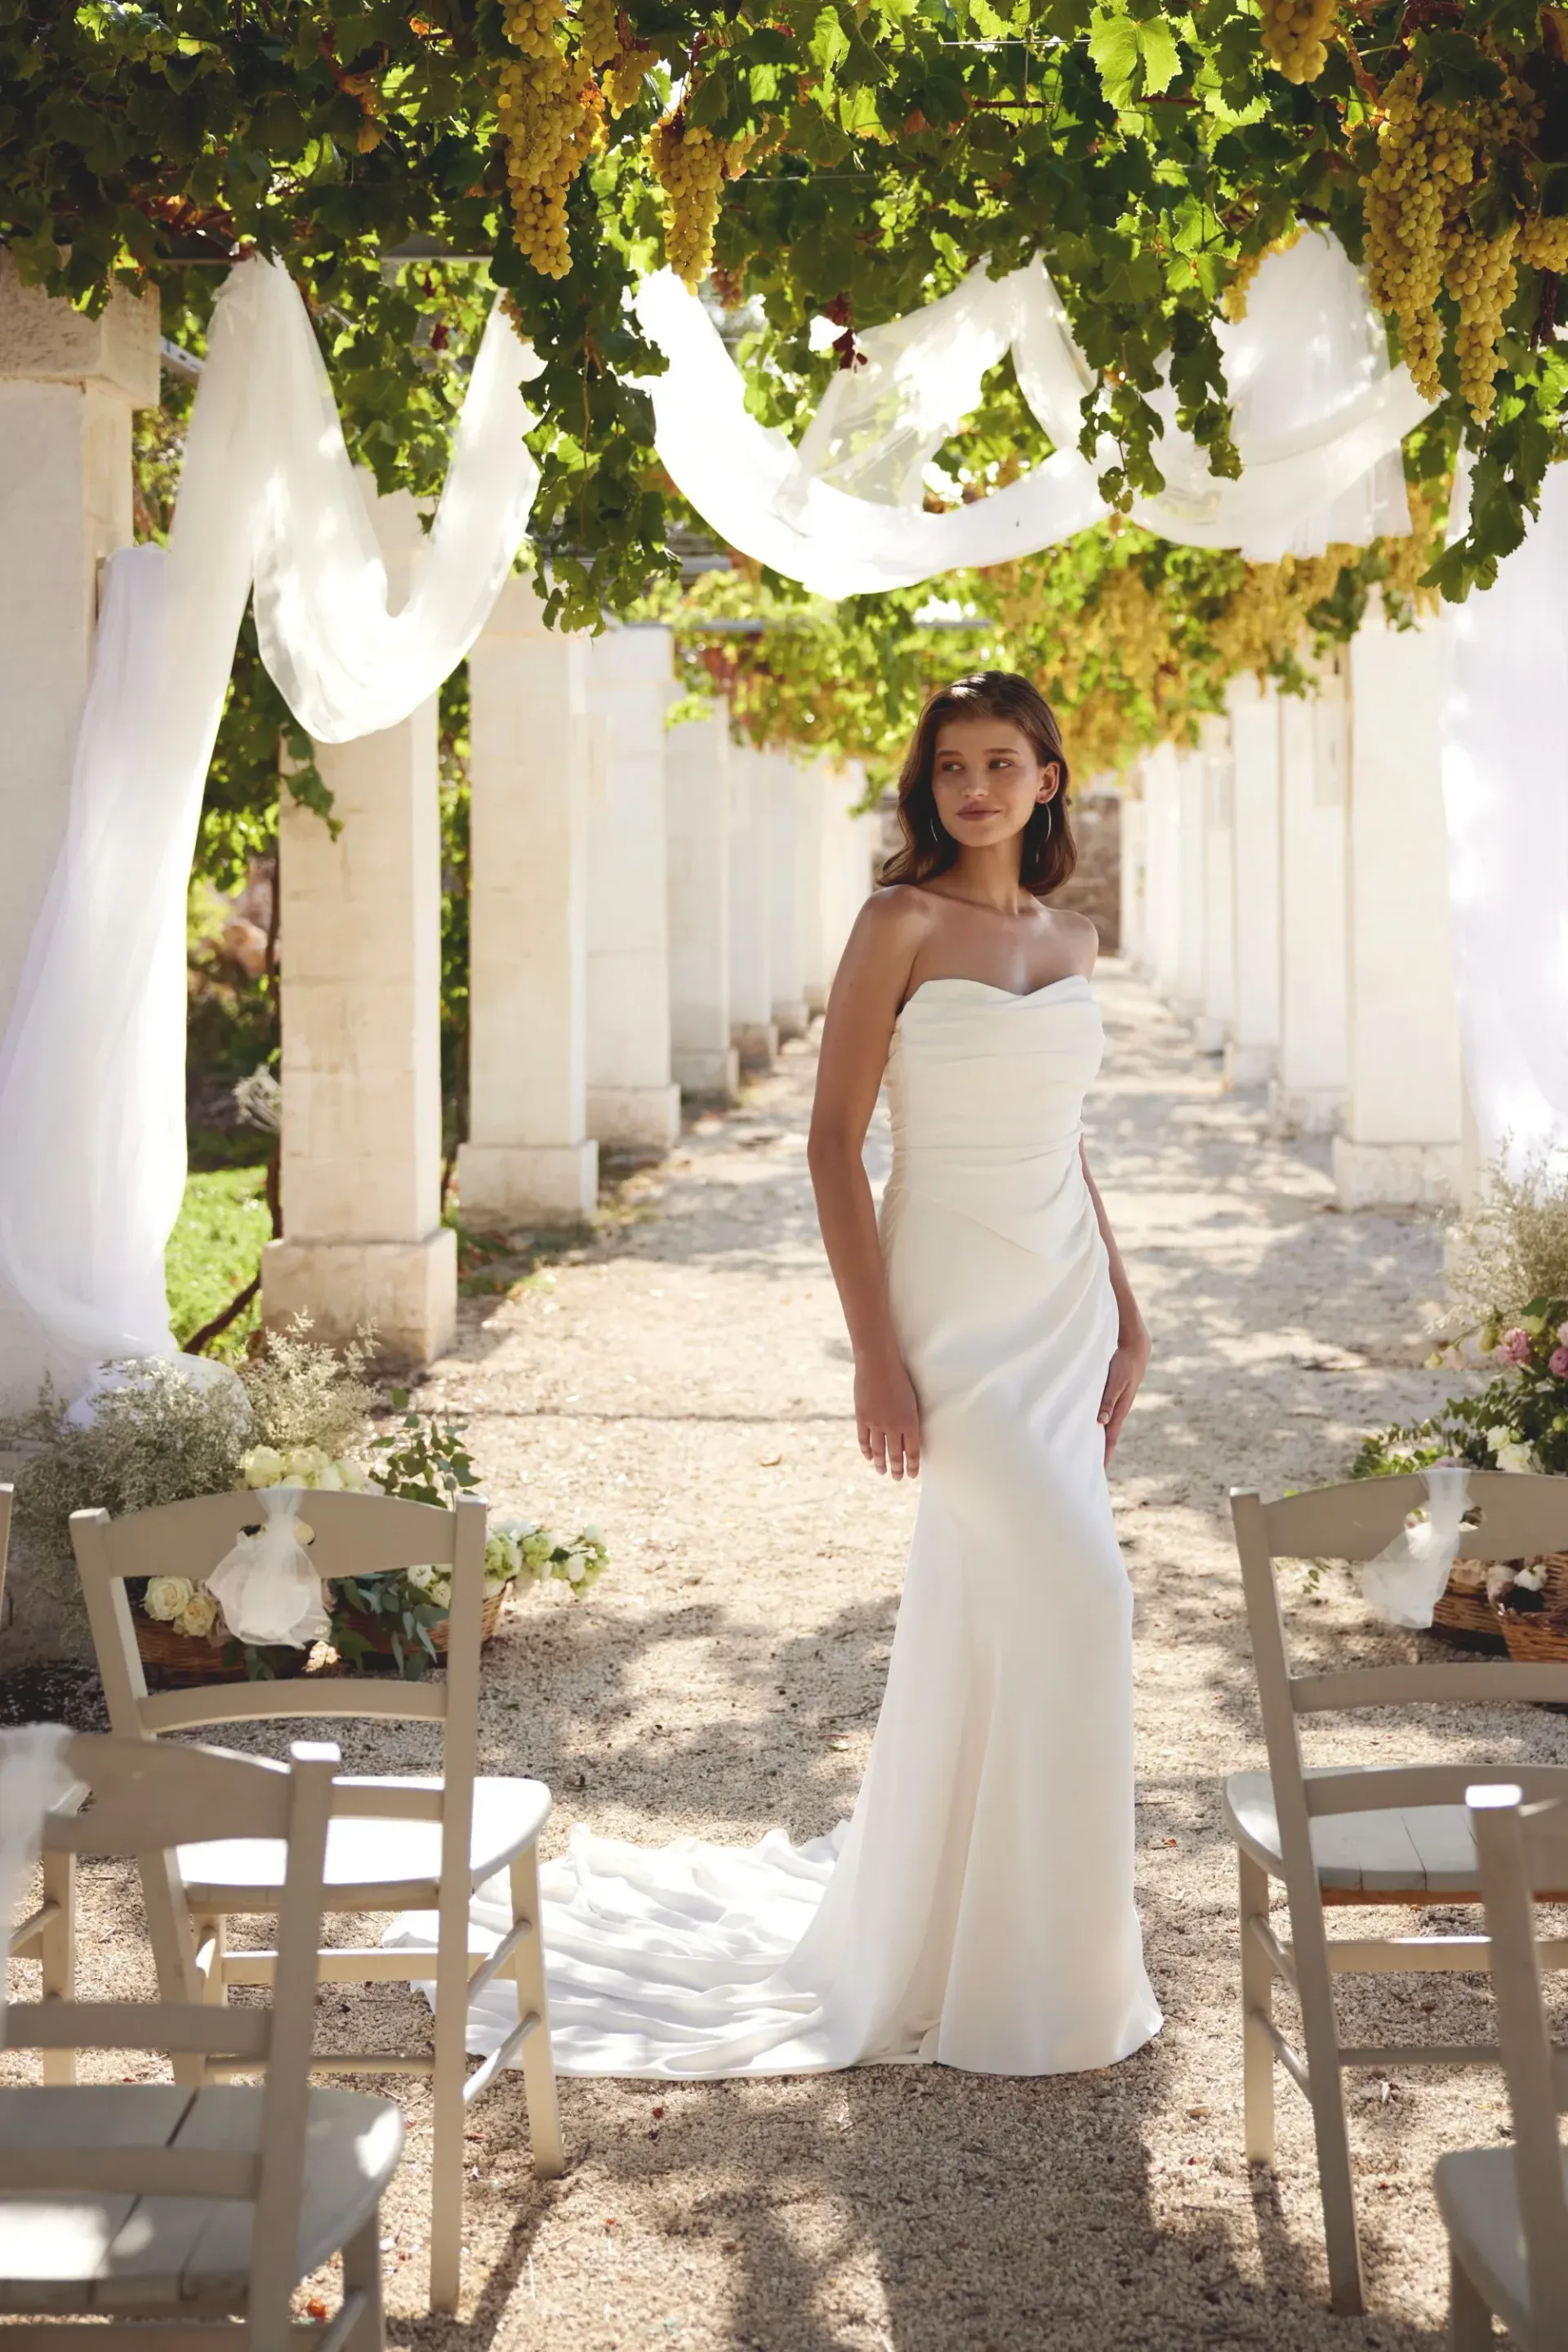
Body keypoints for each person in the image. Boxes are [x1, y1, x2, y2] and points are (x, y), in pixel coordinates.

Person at [403, 670, 1160, 2079]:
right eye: (951, 768)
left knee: (1016, 1615)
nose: (976, 787)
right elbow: (832, 1143)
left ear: (1049, 779)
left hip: (1060, 1299)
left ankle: (1024, 1963)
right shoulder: (899, 923)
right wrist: (876, 1354)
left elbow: (1065, 1140)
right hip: (949, 1298)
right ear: (928, 787)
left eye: (1003, 764)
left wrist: (1125, 1303)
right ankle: (1025, 1965)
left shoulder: (1074, 935)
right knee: (1085, 1600)